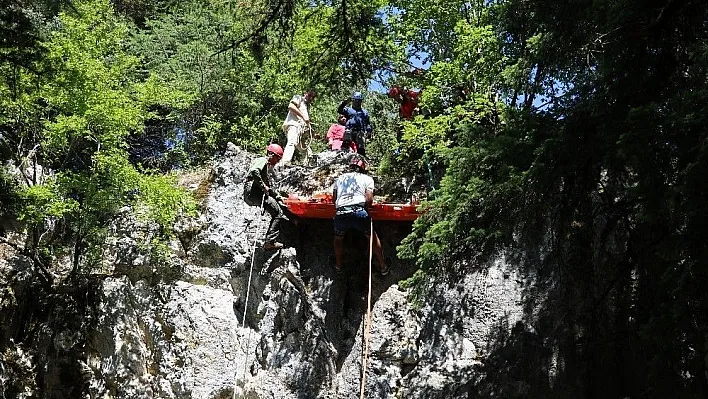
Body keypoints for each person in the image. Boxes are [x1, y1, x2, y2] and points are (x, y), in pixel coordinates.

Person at [331, 156, 389, 275]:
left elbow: (334, 199)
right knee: (372, 237)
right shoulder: (367, 179)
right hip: (359, 211)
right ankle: (383, 266)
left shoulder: (340, 178)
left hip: (341, 212)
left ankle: (338, 265)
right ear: (362, 168)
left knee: (338, 238)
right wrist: (365, 210)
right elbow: (369, 199)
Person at [243, 143, 297, 250]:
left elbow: (269, 189)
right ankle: (270, 242)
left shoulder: (265, 168)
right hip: (253, 191)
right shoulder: (262, 160)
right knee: (278, 213)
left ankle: (293, 220)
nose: (277, 162)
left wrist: (278, 197)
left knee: (277, 208)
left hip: (254, 192)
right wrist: (263, 186)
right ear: (272, 155)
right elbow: (254, 171)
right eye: (277, 158)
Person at [281, 90, 316, 165]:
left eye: (313, 97)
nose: (311, 98)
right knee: (292, 141)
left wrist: (313, 134)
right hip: (293, 125)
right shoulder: (298, 98)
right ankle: (285, 162)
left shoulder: (307, 107)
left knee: (306, 151)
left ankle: (308, 166)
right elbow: (291, 106)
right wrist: (303, 117)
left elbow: (306, 123)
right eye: (310, 95)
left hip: (300, 130)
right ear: (305, 93)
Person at [337, 91, 372, 157]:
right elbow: (339, 110)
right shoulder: (348, 110)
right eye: (356, 100)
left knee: (361, 148)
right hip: (349, 129)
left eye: (359, 100)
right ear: (353, 101)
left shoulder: (365, 112)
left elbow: (368, 123)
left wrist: (369, 131)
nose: (357, 102)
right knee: (345, 144)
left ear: (361, 101)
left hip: (360, 131)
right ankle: (343, 158)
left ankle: (360, 162)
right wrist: (344, 103)